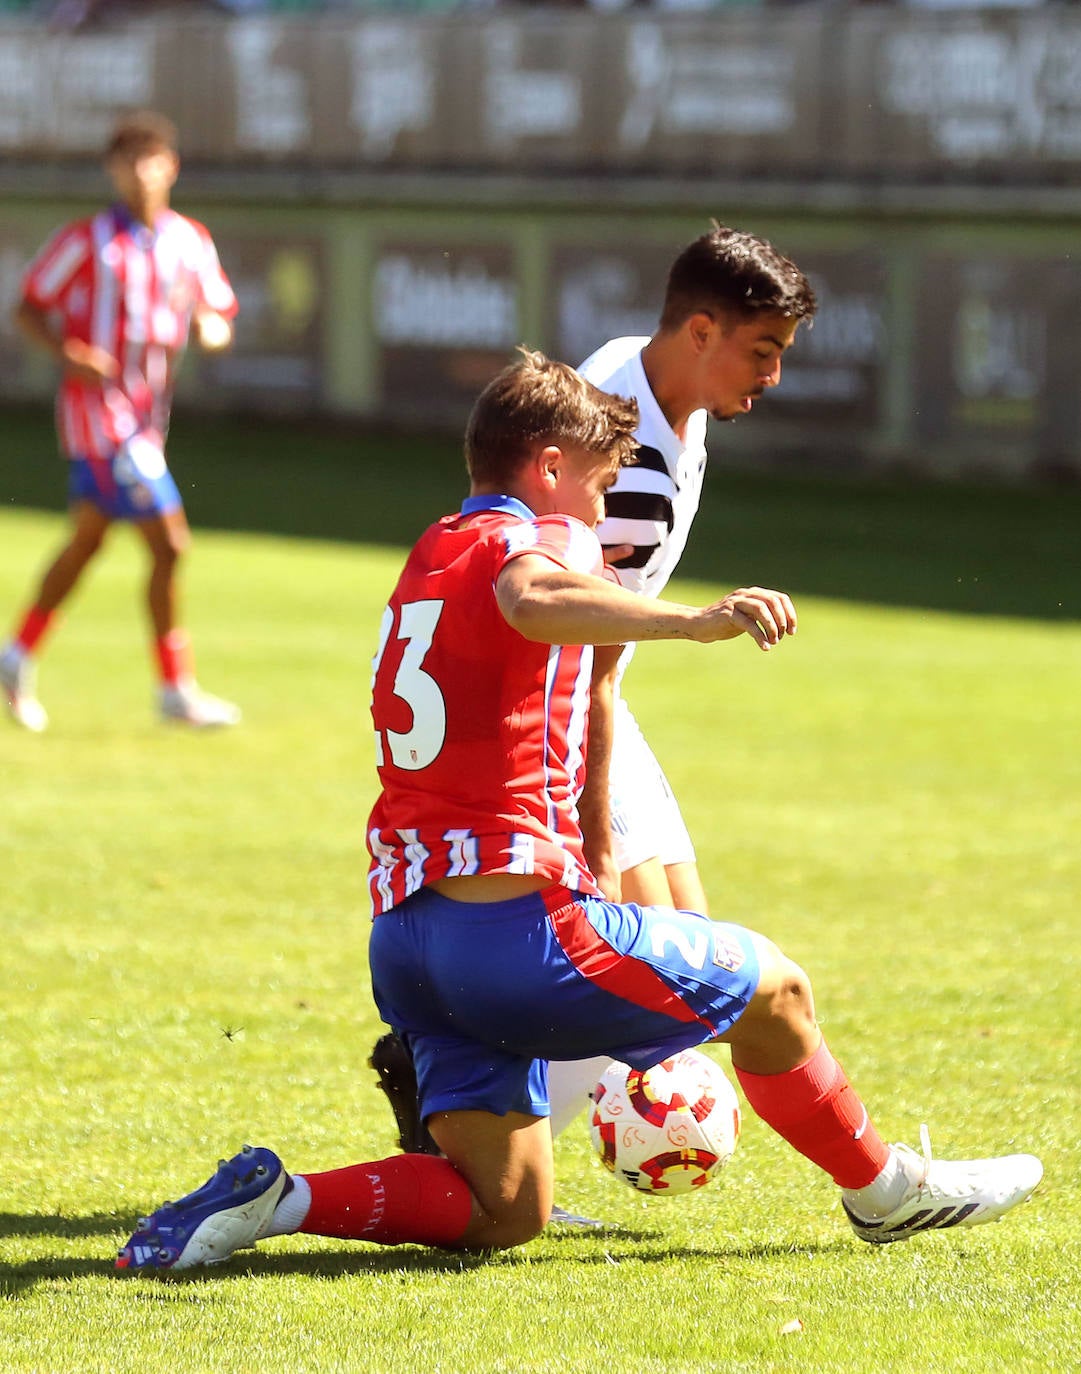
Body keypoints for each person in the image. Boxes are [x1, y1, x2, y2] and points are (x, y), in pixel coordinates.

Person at [116, 350, 1040, 1272]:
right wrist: (693, 622)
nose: (603, 512)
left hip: (408, 942)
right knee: (778, 990)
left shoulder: (434, 546)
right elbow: (530, 593)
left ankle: (277, 1200)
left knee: (504, 1207)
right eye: (599, 484)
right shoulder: (543, 540)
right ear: (549, 467)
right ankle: (884, 1194)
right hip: (514, 939)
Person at [369, 223, 818, 1151]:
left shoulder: (630, 372)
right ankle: (456, 1110)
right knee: (656, 964)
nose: (772, 376)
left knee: (683, 947)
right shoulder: (630, 481)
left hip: (594, 704)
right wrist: (592, 832)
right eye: (761, 351)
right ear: (698, 331)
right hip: (572, 719)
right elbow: (586, 664)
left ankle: (495, 1124)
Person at [1, 108, 241, 732]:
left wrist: (213, 329)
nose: (139, 172)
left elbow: (217, 310)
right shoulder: (86, 241)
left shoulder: (190, 241)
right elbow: (29, 307)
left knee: (86, 543)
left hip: (146, 420)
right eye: (127, 160)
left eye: (150, 158)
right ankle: (174, 688)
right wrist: (66, 354)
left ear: (171, 167)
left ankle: (14, 655)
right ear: (112, 170)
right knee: (171, 540)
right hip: (98, 419)